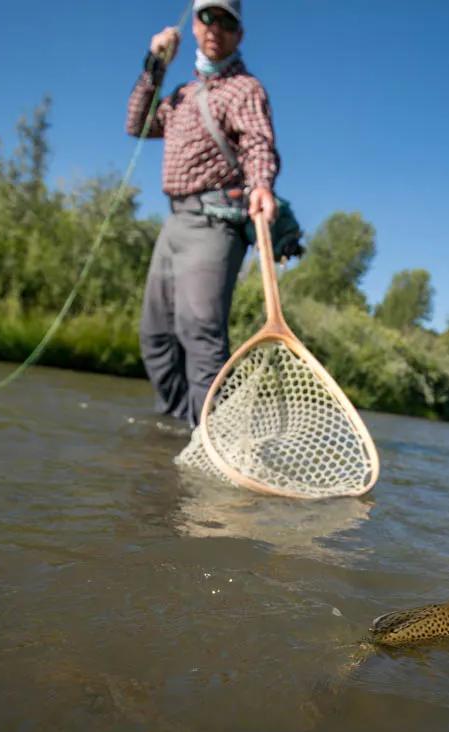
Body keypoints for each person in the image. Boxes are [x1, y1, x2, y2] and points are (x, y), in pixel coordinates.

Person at [125, 0, 279, 425]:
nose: (216, 27)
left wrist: (262, 183)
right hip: (174, 223)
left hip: (216, 223)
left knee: (200, 334)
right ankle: (179, 433)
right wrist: (155, 64)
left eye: (227, 21)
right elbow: (137, 124)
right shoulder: (180, 95)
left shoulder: (245, 88)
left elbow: (258, 143)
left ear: (239, 34)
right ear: (194, 25)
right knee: (155, 339)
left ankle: (216, 442)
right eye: (208, 17)